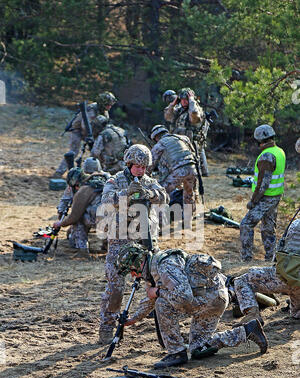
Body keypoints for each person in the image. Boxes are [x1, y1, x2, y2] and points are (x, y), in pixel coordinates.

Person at [115, 243, 268, 369]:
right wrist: (133, 319)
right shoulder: (153, 268)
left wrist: (158, 292)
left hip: (208, 299)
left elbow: (183, 297)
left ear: (138, 263)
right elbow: (150, 299)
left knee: (162, 303)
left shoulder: (165, 266)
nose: (133, 276)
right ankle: (247, 331)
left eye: (132, 271)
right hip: (213, 298)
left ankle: (176, 352)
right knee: (198, 349)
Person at [98, 144, 169, 345]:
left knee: (155, 283)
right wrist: (126, 193)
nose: (140, 170)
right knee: (116, 287)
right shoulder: (116, 180)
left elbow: (165, 196)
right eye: (137, 166)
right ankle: (107, 325)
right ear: (128, 163)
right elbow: (105, 200)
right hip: (120, 242)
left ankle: (161, 326)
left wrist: (150, 194)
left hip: (145, 240)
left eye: (144, 167)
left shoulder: (149, 182)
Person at [234, 213, 300, 323]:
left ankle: (252, 317)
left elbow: (279, 255)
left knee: (242, 280)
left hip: (287, 278)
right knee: (296, 313)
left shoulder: (295, 223)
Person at [239, 124, 286, 262]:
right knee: (268, 228)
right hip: (276, 196)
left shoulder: (267, 156)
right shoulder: (279, 151)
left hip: (266, 198)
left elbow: (263, 185)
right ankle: (271, 258)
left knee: (246, 224)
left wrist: (253, 201)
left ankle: (246, 259)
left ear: (259, 140)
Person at [52, 92, 117, 178]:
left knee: (98, 153)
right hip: (77, 131)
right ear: (103, 103)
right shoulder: (91, 110)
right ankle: (58, 173)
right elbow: (85, 125)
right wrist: (90, 138)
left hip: (91, 134)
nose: (110, 107)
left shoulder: (104, 112)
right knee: (74, 151)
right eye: (108, 105)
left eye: (110, 105)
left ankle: (97, 173)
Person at [149, 124, 199, 227]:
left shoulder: (159, 145)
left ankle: (160, 222)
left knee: (161, 193)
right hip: (192, 169)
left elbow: (150, 165)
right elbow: (193, 153)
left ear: (156, 137)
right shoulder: (183, 138)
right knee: (188, 194)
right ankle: (188, 221)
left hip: (178, 172)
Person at [53, 164, 109, 253]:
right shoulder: (102, 179)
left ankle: (82, 249)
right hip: (118, 219)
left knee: (79, 220)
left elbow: (73, 217)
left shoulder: (83, 191)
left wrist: (60, 223)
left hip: (102, 219)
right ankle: (107, 246)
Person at [164, 87, 209, 177]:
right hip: (179, 144)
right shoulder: (179, 110)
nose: (184, 102)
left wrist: (192, 101)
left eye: (186, 100)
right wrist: (172, 104)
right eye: (182, 100)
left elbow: (194, 117)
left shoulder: (196, 110)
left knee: (191, 171)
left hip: (192, 145)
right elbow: (168, 117)